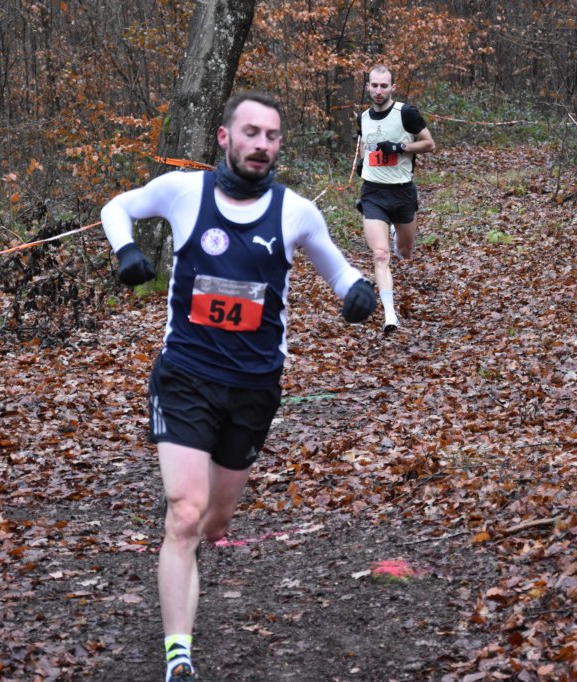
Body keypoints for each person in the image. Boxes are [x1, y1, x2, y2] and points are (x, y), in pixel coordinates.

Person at [101, 91, 376, 682]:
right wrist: (126, 250)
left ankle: (193, 537)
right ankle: (179, 656)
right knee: (184, 514)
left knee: (214, 524)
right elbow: (116, 207)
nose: (261, 145)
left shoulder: (295, 211)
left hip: (254, 388)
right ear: (225, 138)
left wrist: (355, 290)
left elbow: (335, 266)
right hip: (186, 375)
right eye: (251, 132)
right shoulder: (183, 192)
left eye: (271, 136)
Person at [356, 64, 436, 333]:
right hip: (373, 192)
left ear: (393, 87)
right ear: (368, 87)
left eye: (384, 86)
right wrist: (362, 163)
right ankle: (390, 315)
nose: (378, 91)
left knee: (405, 251)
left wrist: (400, 147)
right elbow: (364, 145)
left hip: (402, 192)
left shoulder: (406, 113)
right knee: (380, 254)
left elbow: (429, 144)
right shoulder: (363, 117)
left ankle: (396, 233)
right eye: (374, 85)